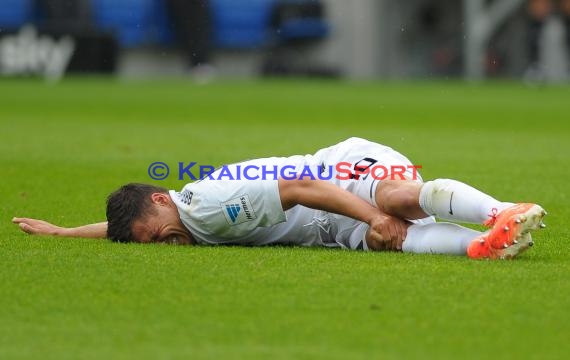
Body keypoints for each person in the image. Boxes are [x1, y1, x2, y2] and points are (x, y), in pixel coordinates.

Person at [12, 137, 547, 260]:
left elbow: (302, 187)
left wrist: (368, 212)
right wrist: (62, 231)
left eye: (160, 235)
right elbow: (125, 230)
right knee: (392, 238)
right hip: (318, 220)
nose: (167, 247)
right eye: (153, 245)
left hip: (335, 172)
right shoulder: (172, 219)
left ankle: (499, 211)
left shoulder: (206, 208)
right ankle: (486, 246)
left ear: (160, 199)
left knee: (394, 199)